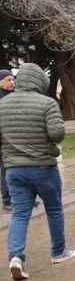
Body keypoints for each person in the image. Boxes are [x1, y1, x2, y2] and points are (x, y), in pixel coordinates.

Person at [0, 63, 75, 281]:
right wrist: (50, 148)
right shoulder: (47, 103)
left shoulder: (2, 105)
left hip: (14, 171)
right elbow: (57, 134)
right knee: (53, 209)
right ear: (39, 80)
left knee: (20, 213)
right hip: (43, 168)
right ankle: (58, 251)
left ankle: (16, 257)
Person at [0, 69, 14, 211]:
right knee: (5, 170)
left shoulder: (10, 96)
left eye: (12, 79)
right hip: (3, 142)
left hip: (11, 140)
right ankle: (7, 200)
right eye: (8, 80)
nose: (12, 82)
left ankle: (20, 198)